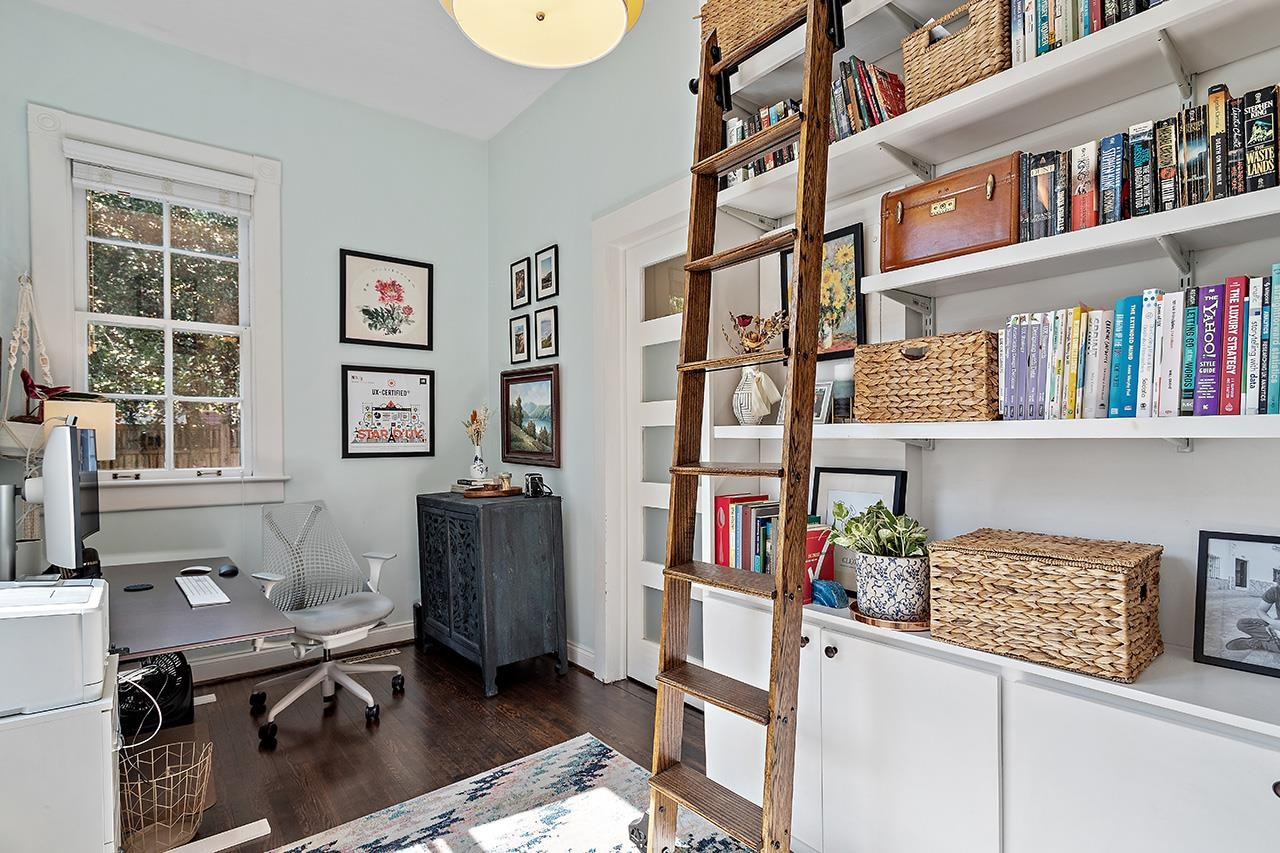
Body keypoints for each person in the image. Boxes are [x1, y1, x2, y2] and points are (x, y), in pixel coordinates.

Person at [1226, 581, 1280, 653]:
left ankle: (1258, 642)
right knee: (1242, 624)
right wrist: (1271, 622)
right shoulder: (1275, 591)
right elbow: (1261, 610)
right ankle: (1273, 639)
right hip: (1277, 626)